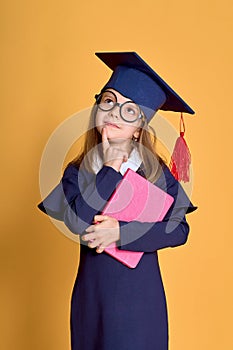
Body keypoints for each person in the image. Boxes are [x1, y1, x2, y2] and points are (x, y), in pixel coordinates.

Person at [38, 52, 198, 350]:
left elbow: (179, 230)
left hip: (140, 301)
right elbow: (78, 221)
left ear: (140, 127)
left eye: (129, 110)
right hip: (92, 299)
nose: (114, 112)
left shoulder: (155, 175)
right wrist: (109, 170)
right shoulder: (79, 171)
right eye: (109, 102)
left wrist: (121, 233)